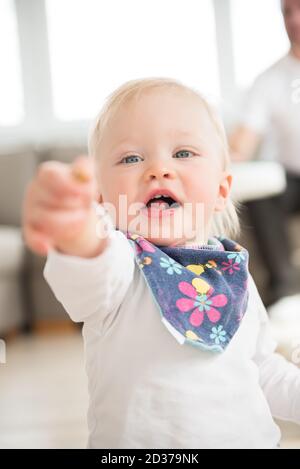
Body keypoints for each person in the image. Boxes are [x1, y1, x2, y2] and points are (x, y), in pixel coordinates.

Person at [22, 78, 300, 449]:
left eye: (183, 153)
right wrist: (77, 231)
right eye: (131, 158)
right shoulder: (121, 265)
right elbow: (89, 268)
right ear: (102, 198)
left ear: (221, 191)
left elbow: (262, 368)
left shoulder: (232, 272)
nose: (158, 169)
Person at [230, 0, 300, 305]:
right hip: (291, 179)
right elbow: (241, 145)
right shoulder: (269, 80)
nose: (294, 19)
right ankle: (285, 292)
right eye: (287, 11)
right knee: (261, 192)